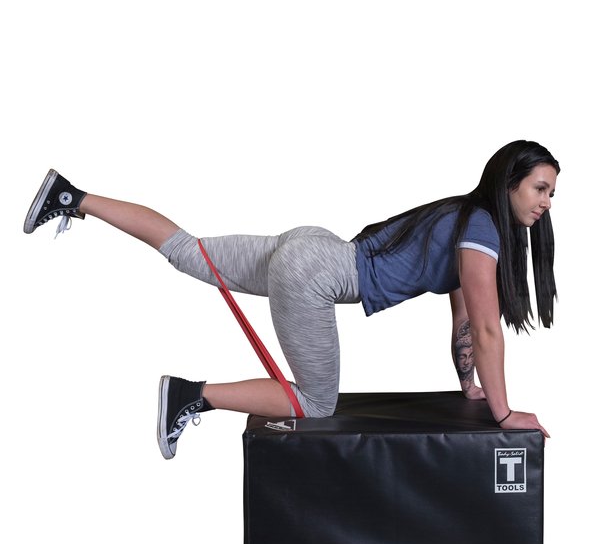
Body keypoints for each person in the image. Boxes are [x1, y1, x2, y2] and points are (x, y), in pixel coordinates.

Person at [23, 140, 559, 459]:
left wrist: (470, 387)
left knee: (189, 251)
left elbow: (465, 317)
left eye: (552, 193)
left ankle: (72, 196)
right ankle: (192, 395)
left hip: (312, 246)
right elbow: (488, 331)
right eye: (539, 188)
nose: (545, 202)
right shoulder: (483, 230)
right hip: (317, 276)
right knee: (316, 403)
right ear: (509, 182)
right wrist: (504, 412)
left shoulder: (464, 216)